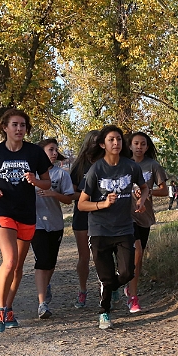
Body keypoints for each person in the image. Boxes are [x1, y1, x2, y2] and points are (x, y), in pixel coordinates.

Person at [0, 108, 51, 333]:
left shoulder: (35, 152)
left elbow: (47, 183)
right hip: (2, 211)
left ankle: (8, 309)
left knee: (17, 267)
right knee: (9, 260)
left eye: (23, 125)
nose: (19, 129)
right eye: (15, 124)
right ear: (5, 127)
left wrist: (35, 181)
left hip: (26, 214)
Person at [78, 125, 148, 329]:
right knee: (107, 275)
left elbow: (143, 188)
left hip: (124, 228)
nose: (116, 143)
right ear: (103, 144)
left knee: (127, 273)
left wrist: (141, 201)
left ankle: (112, 287)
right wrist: (103, 204)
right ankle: (104, 312)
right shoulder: (96, 170)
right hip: (100, 230)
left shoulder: (131, 166)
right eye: (111, 140)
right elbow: (82, 204)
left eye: (118, 139)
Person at [124, 132, 168, 313]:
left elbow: (164, 191)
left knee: (138, 258)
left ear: (147, 147)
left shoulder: (153, 166)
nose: (139, 147)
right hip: (126, 215)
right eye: (136, 143)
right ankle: (133, 299)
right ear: (130, 146)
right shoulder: (124, 165)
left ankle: (130, 285)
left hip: (145, 216)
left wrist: (148, 192)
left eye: (143, 144)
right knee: (137, 251)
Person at [32, 138, 75, 319]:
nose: (55, 153)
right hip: (36, 224)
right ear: (41, 153)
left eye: (56, 150)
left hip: (55, 224)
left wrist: (53, 193)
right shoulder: (30, 174)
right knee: (42, 261)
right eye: (51, 150)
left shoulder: (61, 175)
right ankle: (42, 304)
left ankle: (46, 286)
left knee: (50, 263)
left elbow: (69, 199)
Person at [69, 130, 99, 308]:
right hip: (82, 215)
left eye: (99, 141)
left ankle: (110, 287)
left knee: (102, 254)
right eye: (93, 141)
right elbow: (70, 192)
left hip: (103, 215)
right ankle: (82, 290)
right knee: (84, 256)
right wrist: (86, 196)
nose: (96, 145)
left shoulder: (108, 162)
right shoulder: (80, 165)